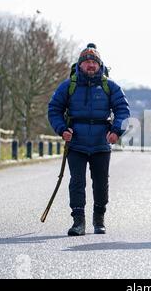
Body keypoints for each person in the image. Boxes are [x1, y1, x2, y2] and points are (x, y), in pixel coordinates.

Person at [48, 43, 130, 236]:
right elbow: (54, 109)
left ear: (100, 65)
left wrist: (116, 131)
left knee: (101, 183)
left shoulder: (110, 87)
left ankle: (99, 219)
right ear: (80, 65)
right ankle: (78, 222)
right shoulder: (69, 86)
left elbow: (123, 111)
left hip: (101, 144)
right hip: (76, 143)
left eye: (94, 62)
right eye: (87, 62)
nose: (90, 65)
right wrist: (61, 130)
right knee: (77, 182)